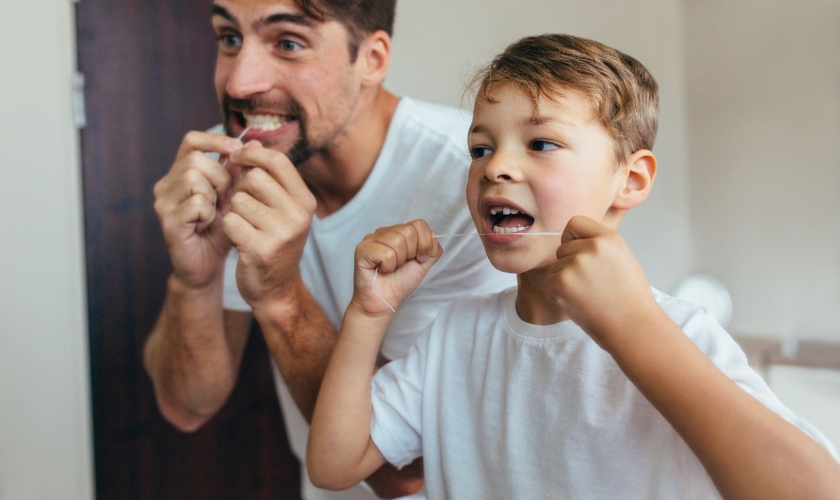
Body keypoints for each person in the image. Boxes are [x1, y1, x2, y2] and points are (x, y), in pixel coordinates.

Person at [307, 33, 840, 499]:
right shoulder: (454, 334)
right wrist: (368, 315)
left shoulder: (679, 332)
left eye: (541, 143)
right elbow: (335, 465)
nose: (496, 167)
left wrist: (632, 327)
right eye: (479, 149)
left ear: (630, 181)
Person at [143, 0, 514, 499]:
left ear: (372, 60)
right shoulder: (227, 166)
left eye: (288, 43)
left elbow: (405, 472)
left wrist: (280, 296)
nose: (239, 84)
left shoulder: (471, 187)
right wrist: (195, 279)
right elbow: (186, 407)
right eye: (229, 39)